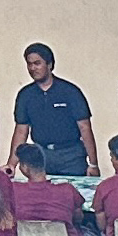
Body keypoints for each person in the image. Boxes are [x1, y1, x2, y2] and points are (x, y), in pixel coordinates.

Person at [12, 44, 95, 176]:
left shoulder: (70, 91)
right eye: (29, 64)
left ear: (49, 64)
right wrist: (12, 164)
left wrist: (93, 164)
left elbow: (84, 127)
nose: (33, 68)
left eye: (37, 63)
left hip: (71, 157)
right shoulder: (25, 95)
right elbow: (21, 131)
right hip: (41, 157)